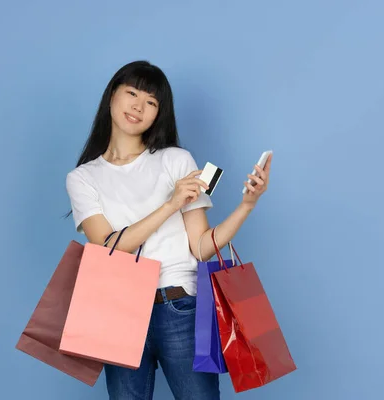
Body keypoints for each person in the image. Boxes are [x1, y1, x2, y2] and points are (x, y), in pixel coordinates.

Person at [64, 60, 272, 400]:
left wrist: (247, 205)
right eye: (131, 93)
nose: (138, 106)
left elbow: (201, 247)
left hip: (178, 306)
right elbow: (109, 247)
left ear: (159, 113)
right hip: (118, 311)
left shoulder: (176, 160)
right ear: (112, 96)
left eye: (151, 101)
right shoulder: (83, 178)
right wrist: (170, 205)